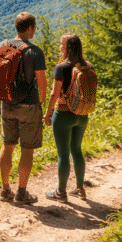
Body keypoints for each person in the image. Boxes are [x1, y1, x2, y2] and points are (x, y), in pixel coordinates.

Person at [0, 12, 47, 205]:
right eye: (35, 27)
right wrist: (42, 105)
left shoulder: (2, 45)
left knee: (7, 147)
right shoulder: (35, 52)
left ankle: (5, 190)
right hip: (29, 106)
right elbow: (42, 83)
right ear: (30, 28)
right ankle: (22, 193)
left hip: (6, 103)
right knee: (27, 150)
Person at [44, 33, 92, 202]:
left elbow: (54, 94)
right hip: (82, 115)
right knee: (77, 150)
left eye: (62, 44)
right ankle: (80, 189)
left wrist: (48, 113)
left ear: (68, 48)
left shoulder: (61, 68)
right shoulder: (88, 67)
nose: (60, 47)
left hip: (64, 114)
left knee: (63, 154)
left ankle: (61, 192)